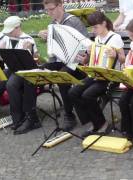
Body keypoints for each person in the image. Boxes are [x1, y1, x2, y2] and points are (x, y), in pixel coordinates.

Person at [68, 11, 125, 137]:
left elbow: (123, 59)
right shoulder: (97, 38)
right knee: (73, 92)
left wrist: (115, 55)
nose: (93, 30)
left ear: (104, 24)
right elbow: (89, 60)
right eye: (92, 27)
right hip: (96, 74)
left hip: (110, 77)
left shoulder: (115, 37)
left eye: (95, 27)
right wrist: (86, 56)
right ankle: (93, 121)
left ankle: (102, 124)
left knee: (87, 95)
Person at [38, 0, 88, 131]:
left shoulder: (74, 22)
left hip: (77, 64)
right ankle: (31, 115)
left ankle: (69, 115)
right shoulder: (52, 24)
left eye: (51, 9)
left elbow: (85, 47)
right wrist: (47, 39)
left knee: (61, 77)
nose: (49, 12)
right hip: (60, 61)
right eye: (47, 10)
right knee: (39, 70)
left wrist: (71, 61)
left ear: (60, 6)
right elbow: (54, 50)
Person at [2, 16, 41, 134]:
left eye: (10, 31)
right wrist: (2, 51)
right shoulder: (7, 39)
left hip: (24, 70)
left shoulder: (28, 39)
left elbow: (36, 60)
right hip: (11, 69)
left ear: (17, 27)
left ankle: (20, 118)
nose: (8, 34)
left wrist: (30, 50)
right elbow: (4, 59)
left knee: (11, 84)